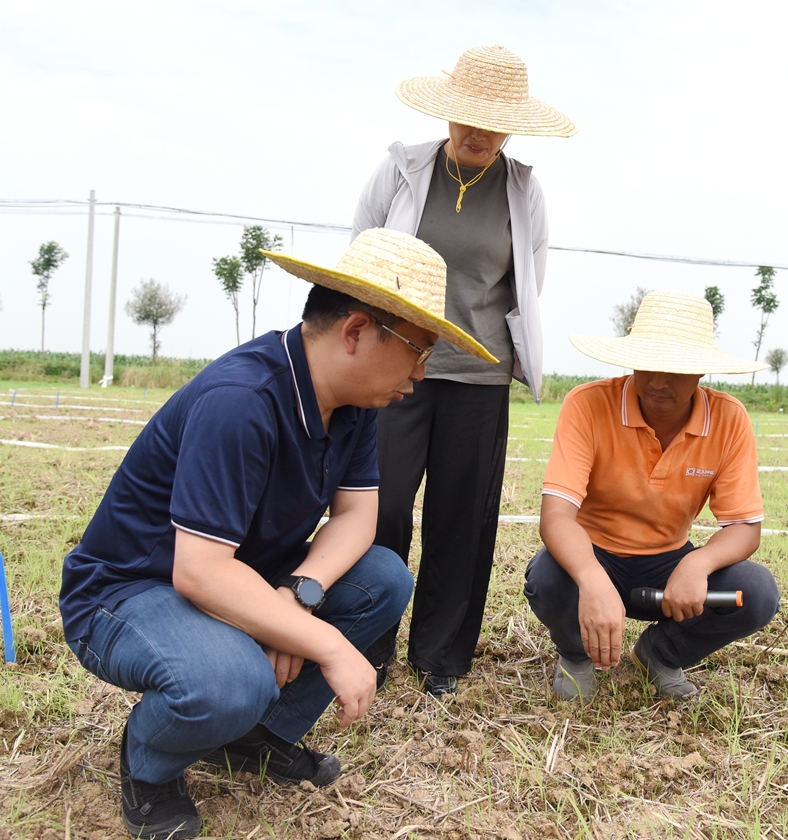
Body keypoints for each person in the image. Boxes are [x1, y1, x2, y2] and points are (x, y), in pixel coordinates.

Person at [58, 229, 496, 840]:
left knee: (383, 579)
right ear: (355, 332)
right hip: (131, 592)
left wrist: (300, 596)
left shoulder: (354, 405)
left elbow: (356, 518)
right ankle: (149, 760)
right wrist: (328, 643)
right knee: (232, 679)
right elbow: (199, 571)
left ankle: (248, 736)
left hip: (236, 576)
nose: (421, 375)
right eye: (418, 351)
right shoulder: (241, 401)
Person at [351, 45, 576, 696]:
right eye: (467, 117)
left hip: (477, 373)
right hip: (397, 367)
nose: (478, 132)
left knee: (461, 517)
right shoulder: (400, 172)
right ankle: (368, 644)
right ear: (446, 113)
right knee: (381, 503)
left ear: (514, 125)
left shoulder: (523, 192)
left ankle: (442, 659)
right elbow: (363, 249)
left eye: (494, 121)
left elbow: (527, 276)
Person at [524, 290, 781, 701]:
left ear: (702, 372)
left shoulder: (729, 420)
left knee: (756, 592)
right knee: (547, 578)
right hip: (594, 553)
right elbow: (556, 516)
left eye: (675, 370)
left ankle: (660, 655)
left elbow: (744, 527)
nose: (658, 382)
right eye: (648, 364)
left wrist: (699, 563)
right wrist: (591, 579)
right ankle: (576, 655)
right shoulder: (588, 405)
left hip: (668, 567)